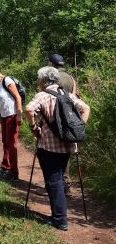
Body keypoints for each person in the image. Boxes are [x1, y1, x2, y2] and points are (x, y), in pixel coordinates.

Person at [25, 66, 90, 231]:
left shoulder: (42, 95)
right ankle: (57, 214)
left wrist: (33, 128)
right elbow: (86, 108)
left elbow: (29, 109)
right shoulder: (66, 94)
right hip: (68, 145)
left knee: (54, 182)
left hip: (49, 146)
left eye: (39, 80)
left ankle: (60, 220)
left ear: (42, 80)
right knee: (58, 179)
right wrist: (79, 128)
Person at [0, 65, 23, 181]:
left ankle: (14, 173)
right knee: (5, 141)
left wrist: (19, 115)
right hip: (4, 116)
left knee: (11, 144)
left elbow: (18, 97)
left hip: (12, 115)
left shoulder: (7, 81)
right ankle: (5, 166)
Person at [47, 53, 77, 195]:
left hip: (54, 118)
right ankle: (67, 185)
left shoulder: (52, 77)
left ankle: (54, 185)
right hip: (70, 119)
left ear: (51, 63)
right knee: (67, 150)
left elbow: (46, 97)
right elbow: (75, 97)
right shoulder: (71, 78)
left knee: (52, 152)